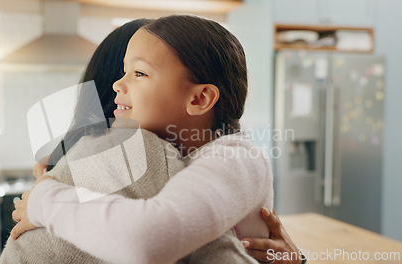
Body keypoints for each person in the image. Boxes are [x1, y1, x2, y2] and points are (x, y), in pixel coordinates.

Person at [22, 16, 305, 264]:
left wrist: (44, 200)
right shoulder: (164, 155)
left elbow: (148, 240)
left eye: (139, 73)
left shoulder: (237, 158)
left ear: (199, 98)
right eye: (123, 71)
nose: (118, 84)